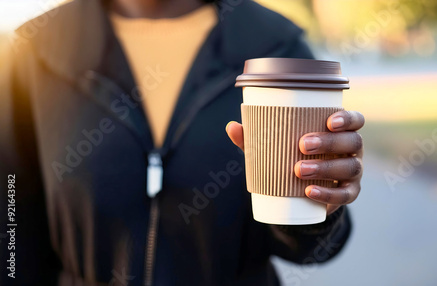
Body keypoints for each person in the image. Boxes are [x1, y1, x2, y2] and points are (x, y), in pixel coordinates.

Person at [0, 0, 365, 285]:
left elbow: (316, 249)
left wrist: (319, 210)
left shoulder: (276, 46)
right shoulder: (35, 51)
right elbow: (12, 218)